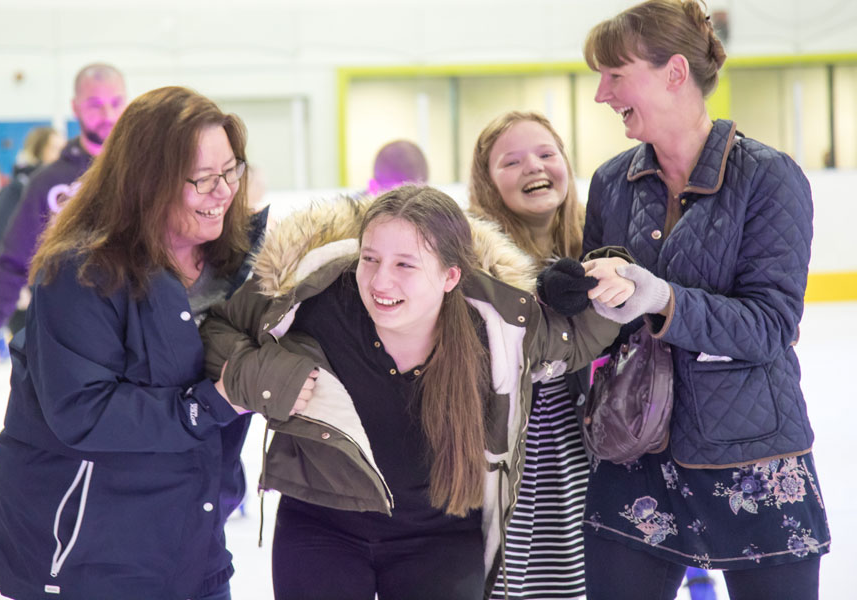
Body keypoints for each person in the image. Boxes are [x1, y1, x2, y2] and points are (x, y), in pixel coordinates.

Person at [200, 185, 649, 599]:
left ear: (451, 276)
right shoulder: (314, 298)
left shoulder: (495, 327)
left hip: (443, 533)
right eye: (370, 259)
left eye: (405, 265)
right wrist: (261, 375)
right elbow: (220, 328)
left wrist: (611, 269)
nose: (379, 282)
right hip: (320, 524)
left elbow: (583, 336)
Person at [578, 1, 830, 599]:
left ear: (673, 73)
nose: (601, 95)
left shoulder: (767, 177)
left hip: (752, 455)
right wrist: (578, 289)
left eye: (616, 75)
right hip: (634, 446)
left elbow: (770, 324)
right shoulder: (612, 182)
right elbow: (599, 323)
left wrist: (661, 298)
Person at [0, 86, 267, 600]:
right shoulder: (83, 271)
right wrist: (212, 405)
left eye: (231, 171)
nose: (223, 191)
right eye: (203, 179)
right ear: (147, 182)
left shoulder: (239, 264)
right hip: (92, 559)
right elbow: (83, 410)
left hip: (193, 546)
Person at [468, 110, 591, 599]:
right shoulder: (474, 258)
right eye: (511, 161)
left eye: (545, 154)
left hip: (586, 449)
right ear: (488, 182)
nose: (533, 167)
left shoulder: (598, 245)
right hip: (514, 458)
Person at [0, 63, 127, 375]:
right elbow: (12, 262)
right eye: (94, 104)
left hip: (135, 341)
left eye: (115, 103)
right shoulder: (48, 183)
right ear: (75, 107)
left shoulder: (145, 175)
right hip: (67, 342)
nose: (107, 114)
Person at [0, 126, 64, 336]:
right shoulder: (17, 190)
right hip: (26, 291)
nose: (62, 155)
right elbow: (3, 242)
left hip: (56, 286)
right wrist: (17, 287)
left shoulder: (66, 188)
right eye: (54, 148)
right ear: (38, 151)